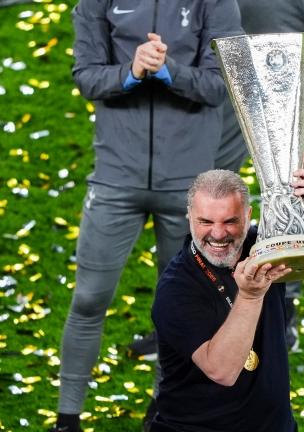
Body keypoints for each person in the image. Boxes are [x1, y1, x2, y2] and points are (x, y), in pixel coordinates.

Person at [49, 1, 243, 431]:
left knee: (181, 308)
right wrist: (132, 71)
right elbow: (86, 76)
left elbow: (222, 85)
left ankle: (163, 408)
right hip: (115, 180)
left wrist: (168, 70)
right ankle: (66, 419)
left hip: (188, 189)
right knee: (89, 299)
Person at [149, 152, 304, 431]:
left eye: (230, 221)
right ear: (189, 218)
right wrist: (250, 296)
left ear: (248, 215)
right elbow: (222, 371)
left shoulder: (263, 246)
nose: (218, 234)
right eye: (206, 222)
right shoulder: (176, 288)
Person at [215, 0, 304, 352]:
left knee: (295, 184)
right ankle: (201, 299)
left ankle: (283, 307)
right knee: (212, 181)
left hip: (302, 47)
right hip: (229, 48)